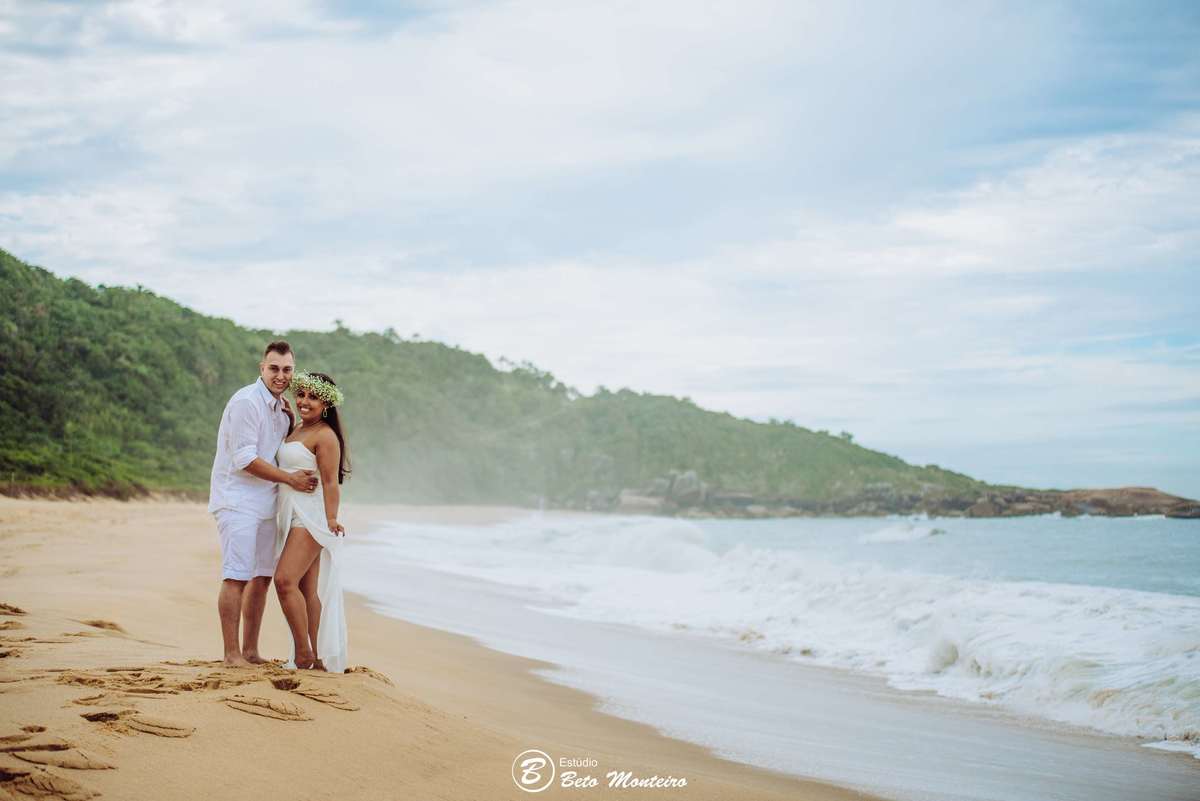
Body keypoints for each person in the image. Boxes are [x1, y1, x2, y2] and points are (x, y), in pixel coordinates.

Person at [208, 341, 318, 667]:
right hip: (237, 499)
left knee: (262, 577)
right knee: (237, 576)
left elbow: (280, 451)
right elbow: (244, 459)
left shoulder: (282, 408)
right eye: (274, 368)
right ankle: (231, 654)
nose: (280, 375)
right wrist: (290, 479)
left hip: (267, 502)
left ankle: (251, 651)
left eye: (287, 370)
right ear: (262, 368)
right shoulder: (247, 402)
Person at [274, 370, 351, 672]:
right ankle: (317, 658)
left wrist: (331, 517)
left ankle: (303, 653)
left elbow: (330, 482)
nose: (305, 401)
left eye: (313, 397)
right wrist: (289, 417)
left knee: (284, 581)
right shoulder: (297, 428)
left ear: (326, 404)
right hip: (290, 512)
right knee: (307, 591)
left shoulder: (325, 435)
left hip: (310, 517)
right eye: (301, 395)